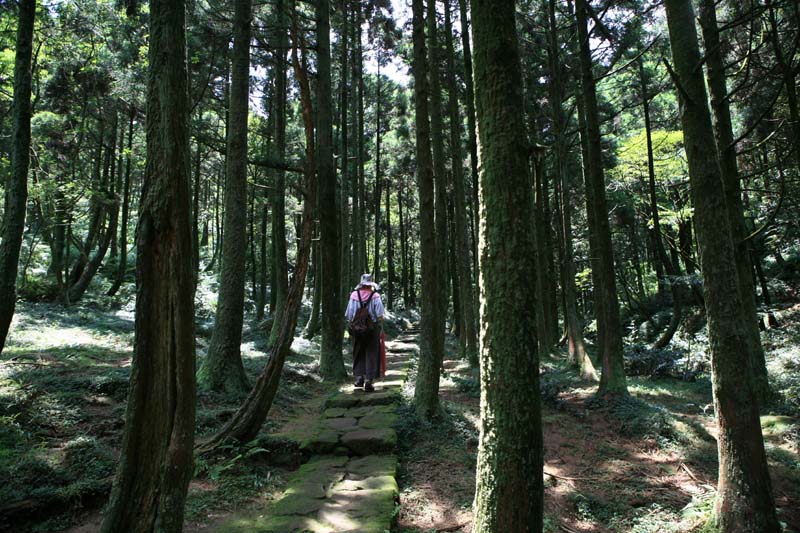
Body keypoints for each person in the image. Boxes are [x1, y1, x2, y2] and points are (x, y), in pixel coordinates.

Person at [345, 273, 385, 392]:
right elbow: (380, 314)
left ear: (361, 284)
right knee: (372, 352)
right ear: (370, 284)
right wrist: (381, 326)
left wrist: (353, 325)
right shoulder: (375, 296)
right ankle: (369, 380)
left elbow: (349, 314)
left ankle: (359, 378)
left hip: (357, 328)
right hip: (372, 329)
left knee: (358, 351)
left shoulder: (354, 295)